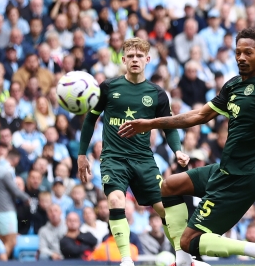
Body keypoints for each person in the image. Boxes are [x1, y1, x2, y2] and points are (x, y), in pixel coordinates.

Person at [117, 28, 255, 266]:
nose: (241, 58)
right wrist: (151, 123)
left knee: (189, 239)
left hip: (244, 178)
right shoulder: (233, 85)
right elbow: (197, 116)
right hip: (226, 170)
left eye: (248, 52)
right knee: (170, 186)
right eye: (238, 53)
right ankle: (185, 262)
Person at [78, 37, 190, 266]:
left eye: (139, 56)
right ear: (123, 59)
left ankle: (183, 256)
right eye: (130, 56)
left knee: (164, 209)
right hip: (113, 158)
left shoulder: (157, 94)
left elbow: (168, 126)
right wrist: (81, 154)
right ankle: (126, 260)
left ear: (148, 59)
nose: (135, 60)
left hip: (143, 159)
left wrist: (177, 150)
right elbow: (90, 120)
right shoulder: (109, 87)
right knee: (116, 199)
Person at [0, 148, 30, 258]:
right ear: (15, 159)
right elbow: (15, 190)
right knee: (11, 241)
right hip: (7, 211)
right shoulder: (6, 171)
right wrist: (28, 198)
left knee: (2, 242)